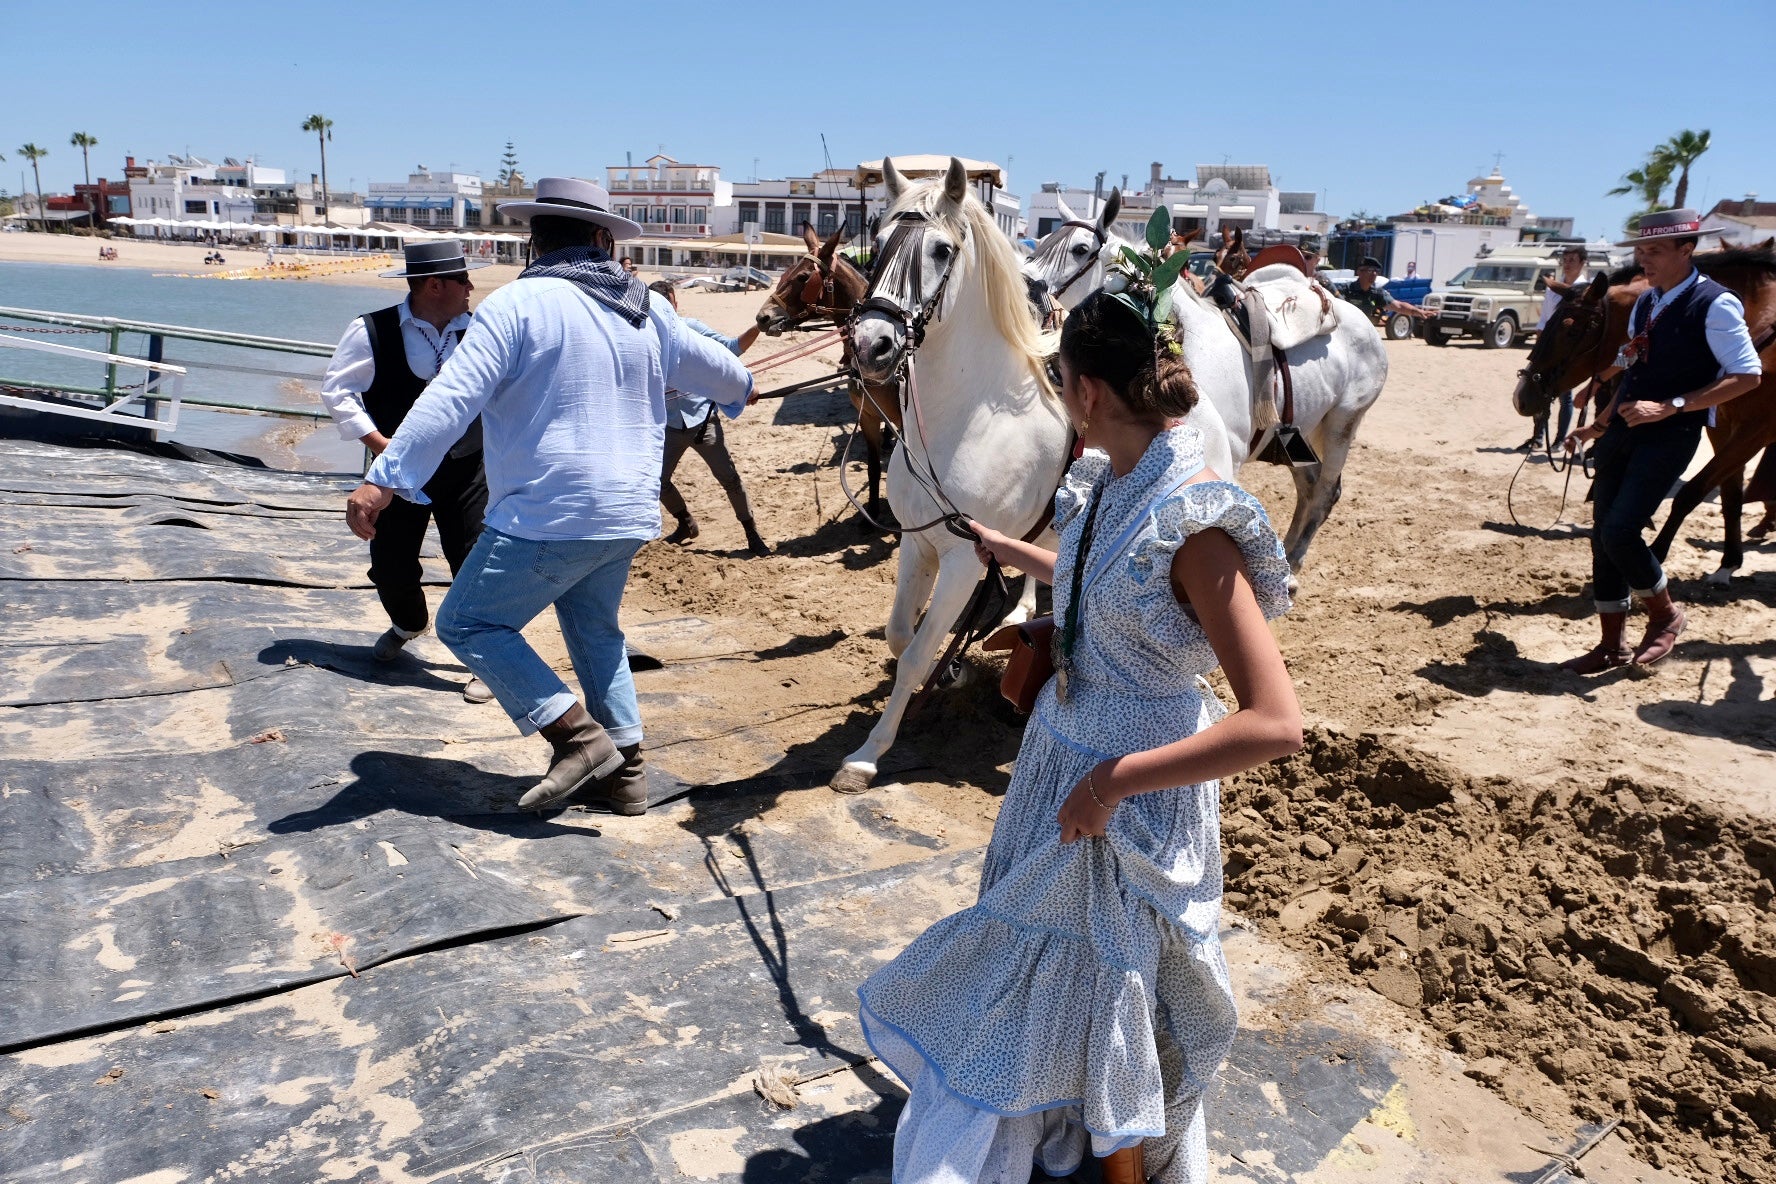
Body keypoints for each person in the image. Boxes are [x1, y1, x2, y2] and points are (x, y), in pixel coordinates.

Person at [857, 289, 1303, 1184]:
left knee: (1117, 987)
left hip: (1130, 797)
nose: (1058, 395)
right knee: (1062, 975)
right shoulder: (1109, 481)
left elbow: (1275, 723)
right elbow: (1098, 574)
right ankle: (1071, 1128)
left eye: (1059, 379)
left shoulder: (1197, 520)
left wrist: (1112, 784)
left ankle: (1122, 1168)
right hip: (1063, 761)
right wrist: (1009, 554)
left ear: (1089, 393)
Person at [344, 177, 754, 816]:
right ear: (600, 238)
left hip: (549, 512)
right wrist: (740, 388)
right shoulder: (647, 309)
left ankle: (577, 738)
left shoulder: (517, 305)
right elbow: (732, 378)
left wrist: (383, 479)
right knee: (594, 629)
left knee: (469, 622)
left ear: (536, 241)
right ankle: (628, 776)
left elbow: (451, 400)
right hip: (627, 514)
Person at [1561, 209, 1762, 671]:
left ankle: (1666, 615)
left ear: (1686, 250)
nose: (1643, 259)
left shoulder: (1717, 304)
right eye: (1640, 250)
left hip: (1671, 435)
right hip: (1625, 434)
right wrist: (1600, 423)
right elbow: (1634, 374)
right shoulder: (1649, 303)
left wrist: (1673, 406)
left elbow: (1747, 376)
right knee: (1602, 537)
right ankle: (1612, 644)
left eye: (1654, 251)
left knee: (1620, 530)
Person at [320, 240, 494, 704]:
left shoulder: (481, 331)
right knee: (391, 564)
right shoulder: (371, 330)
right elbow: (339, 393)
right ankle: (407, 623)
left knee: (475, 561)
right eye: (463, 280)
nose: (471, 287)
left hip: (467, 466)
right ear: (435, 285)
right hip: (394, 473)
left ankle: (484, 659)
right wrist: (383, 449)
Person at [647, 279, 769, 556]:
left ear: (675, 303)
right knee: (658, 481)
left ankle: (752, 534)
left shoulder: (691, 329)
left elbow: (731, 349)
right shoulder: (645, 336)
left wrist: (759, 328)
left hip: (703, 422)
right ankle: (685, 523)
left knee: (729, 478)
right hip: (668, 425)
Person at [1522, 244, 1594, 452]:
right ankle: (1538, 436)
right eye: (1566, 259)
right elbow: (1544, 318)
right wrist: (1539, 343)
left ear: (1582, 263)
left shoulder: (1586, 290)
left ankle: (1560, 439)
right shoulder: (1554, 287)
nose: (1568, 263)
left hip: (1568, 348)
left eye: (1573, 259)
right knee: (1540, 389)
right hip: (1549, 344)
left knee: (1565, 395)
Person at [1342, 256, 1431, 323]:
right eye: (1370, 270)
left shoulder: (1376, 293)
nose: (1374, 274)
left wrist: (1418, 311)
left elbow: (1399, 306)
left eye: (1376, 271)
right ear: (1359, 272)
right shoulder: (1346, 290)